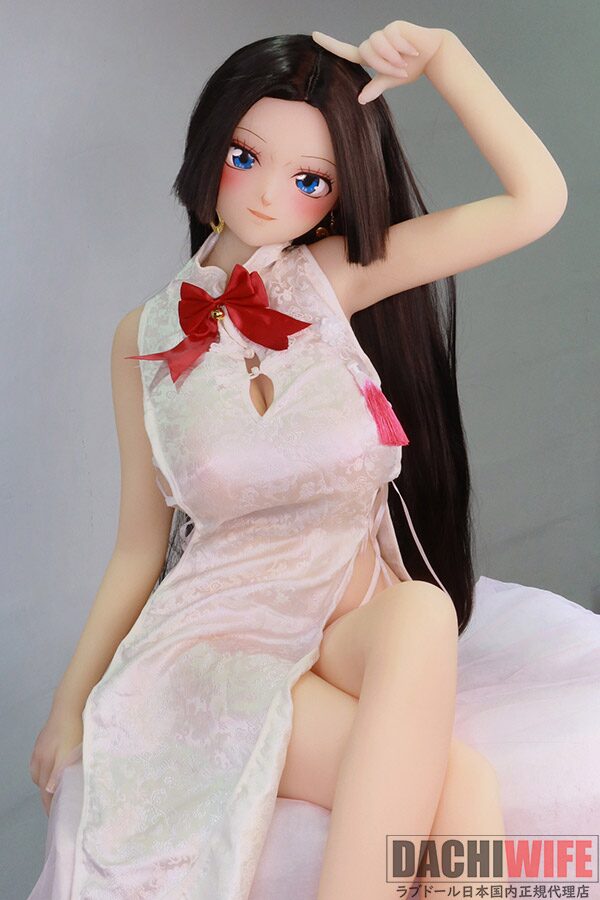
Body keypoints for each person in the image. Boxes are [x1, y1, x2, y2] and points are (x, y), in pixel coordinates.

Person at [28, 21, 568, 899]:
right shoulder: (143, 338)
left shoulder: (329, 280)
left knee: (423, 609)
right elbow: (138, 547)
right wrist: (70, 704)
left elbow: (535, 202)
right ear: (209, 146)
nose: (270, 195)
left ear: (339, 192)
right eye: (245, 157)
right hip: (222, 635)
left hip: (346, 614)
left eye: (310, 179)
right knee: (463, 784)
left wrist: (444, 57)